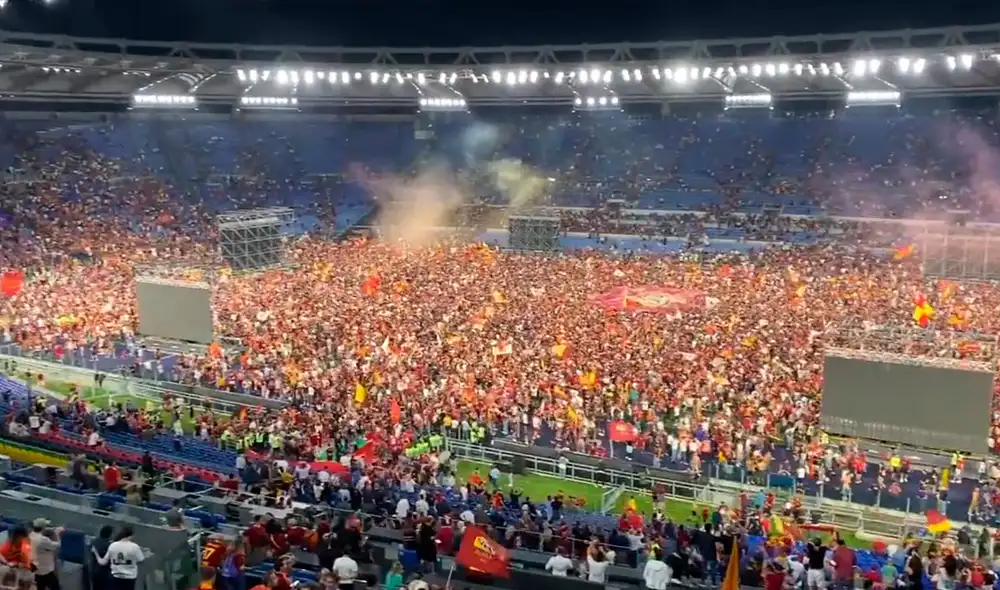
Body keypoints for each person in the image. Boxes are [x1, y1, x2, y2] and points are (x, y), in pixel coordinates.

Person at [30, 518, 64, 590]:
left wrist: (52, 529)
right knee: (55, 587)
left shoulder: (30, 536)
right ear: (43, 528)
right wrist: (57, 534)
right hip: (45, 571)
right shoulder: (43, 540)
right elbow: (57, 545)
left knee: (40, 587)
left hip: (35, 569)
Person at [0, 524, 34, 590]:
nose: (11, 538)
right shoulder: (6, 544)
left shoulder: (27, 546)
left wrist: (19, 564)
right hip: (9, 572)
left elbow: (33, 566)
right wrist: (5, 562)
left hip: (23, 574)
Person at [90, 525, 114, 590]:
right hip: (104, 574)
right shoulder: (109, 546)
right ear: (109, 534)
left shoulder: (94, 541)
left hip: (94, 570)